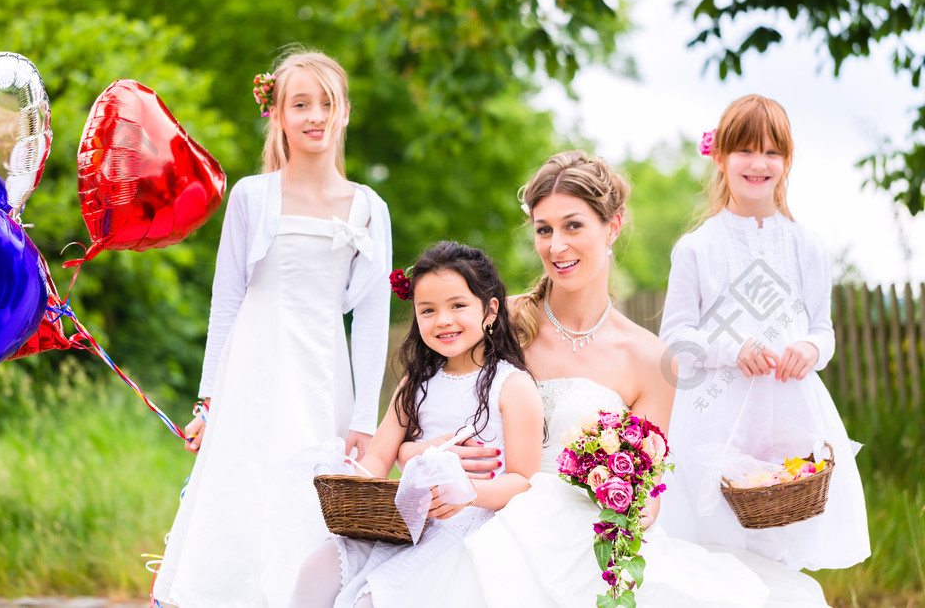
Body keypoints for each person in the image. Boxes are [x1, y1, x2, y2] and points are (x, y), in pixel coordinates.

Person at [390, 150, 829, 607]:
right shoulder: (497, 321)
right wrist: (417, 452)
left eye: (573, 225)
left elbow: (650, 485)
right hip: (486, 519)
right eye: (544, 229)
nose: (556, 246)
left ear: (612, 226)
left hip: (589, 534)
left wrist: (631, 511)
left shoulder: (650, 358)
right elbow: (423, 407)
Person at [152, 49, 393, 608]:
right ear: (278, 116)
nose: (314, 116)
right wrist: (208, 400)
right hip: (252, 375)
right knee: (240, 496)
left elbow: (372, 318)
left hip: (321, 376)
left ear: (345, 113)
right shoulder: (252, 197)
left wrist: (362, 419)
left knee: (307, 504)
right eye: (300, 104)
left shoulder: (368, 208)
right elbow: (227, 300)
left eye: (325, 104)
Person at [658, 94, 870, 570]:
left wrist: (811, 349)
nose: (759, 163)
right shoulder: (697, 248)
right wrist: (730, 349)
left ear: (787, 161)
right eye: (745, 151)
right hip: (717, 416)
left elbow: (824, 329)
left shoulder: (808, 247)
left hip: (790, 411)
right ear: (720, 157)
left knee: (785, 538)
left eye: (772, 152)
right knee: (720, 545)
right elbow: (675, 337)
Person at [289, 241, 544, 608]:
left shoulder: (512, 386)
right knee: (316, 569)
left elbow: (524, 481)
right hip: (398, 520)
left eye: (458, 305)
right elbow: (379, 457)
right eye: (428, 310)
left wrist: (466, 490)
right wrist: (351, 478)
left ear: (489, 310)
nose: (443, 320)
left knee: (373, 599)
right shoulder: (417, 382)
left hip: (465, 523)